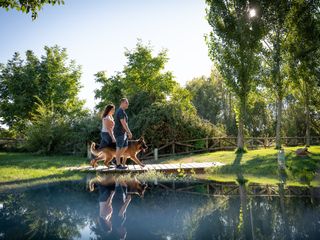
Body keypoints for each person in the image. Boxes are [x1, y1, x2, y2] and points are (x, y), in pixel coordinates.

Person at [114, 98, 132, 170]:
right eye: (126, 102)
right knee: (119, 147)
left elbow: (125, 123)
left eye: (127, 102)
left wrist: (127, 132)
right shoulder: (120, 111)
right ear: (122, 103)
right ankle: (118, 164)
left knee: (125, 147)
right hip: (119, 132)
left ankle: (116, 160)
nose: (128, 104)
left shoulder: (123, 111)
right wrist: (129, 132)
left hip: (123, 132)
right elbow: (123, 123)